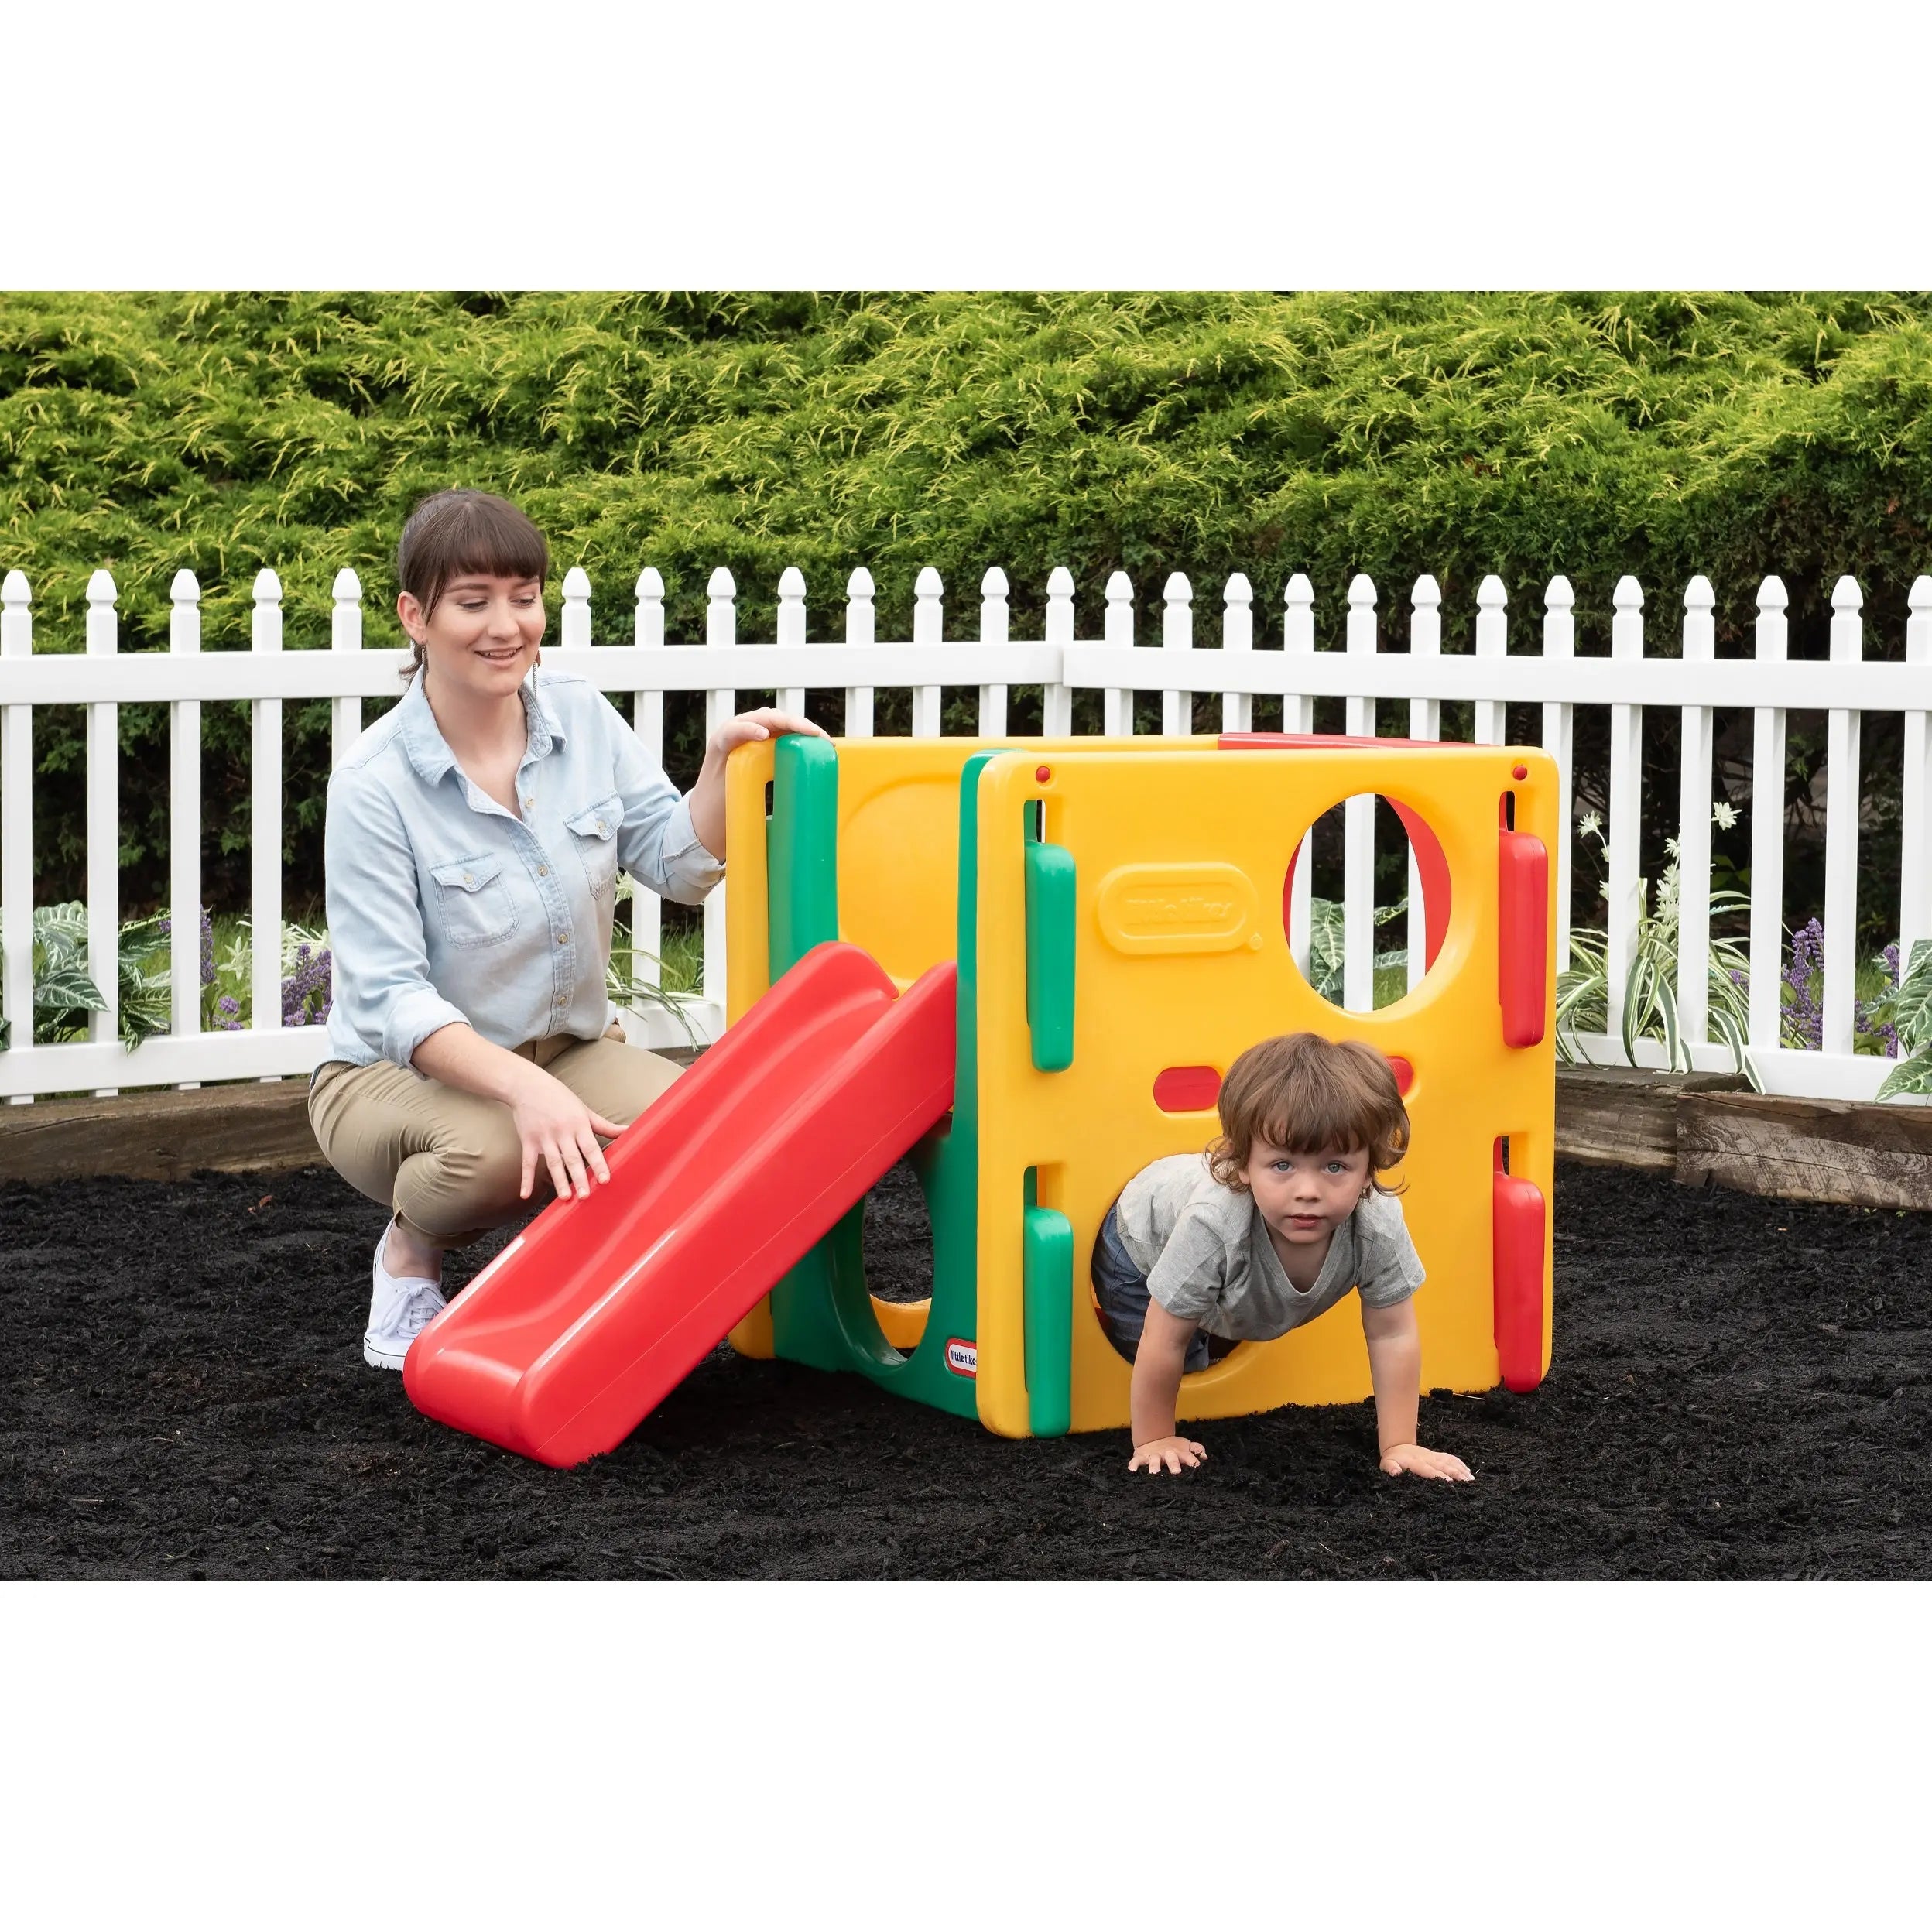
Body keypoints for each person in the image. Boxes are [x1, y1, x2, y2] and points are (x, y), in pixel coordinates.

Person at [307, 488, 822, 1369]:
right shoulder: (374, 785)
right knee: (496, 1151)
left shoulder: (579, 716)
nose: (507, 625)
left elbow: (676, 861)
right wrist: (526, 1091)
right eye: (473, 601)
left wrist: (721, 771)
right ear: (414, 617)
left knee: (703, 1138)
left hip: (570, 1049)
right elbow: (392, 1000)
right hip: (388, 1080)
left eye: (525, 595)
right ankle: (409, 1257)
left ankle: (567, 1284)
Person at [1091, 1031, 1474, 1482]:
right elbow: (1163, 1336)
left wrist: (1400, 1443)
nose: (1307, 1191)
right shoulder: (1213, 1224)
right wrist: (1154, 1438)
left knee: (1214, 1322)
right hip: (1139, 1246)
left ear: (1369, 1170)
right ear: (1241, 1164)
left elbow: (1392, 1334)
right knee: (1185, 1361)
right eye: (1282, 1166)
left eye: (1335, 1167)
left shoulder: (1375, 1224)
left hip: (1222, 1262)